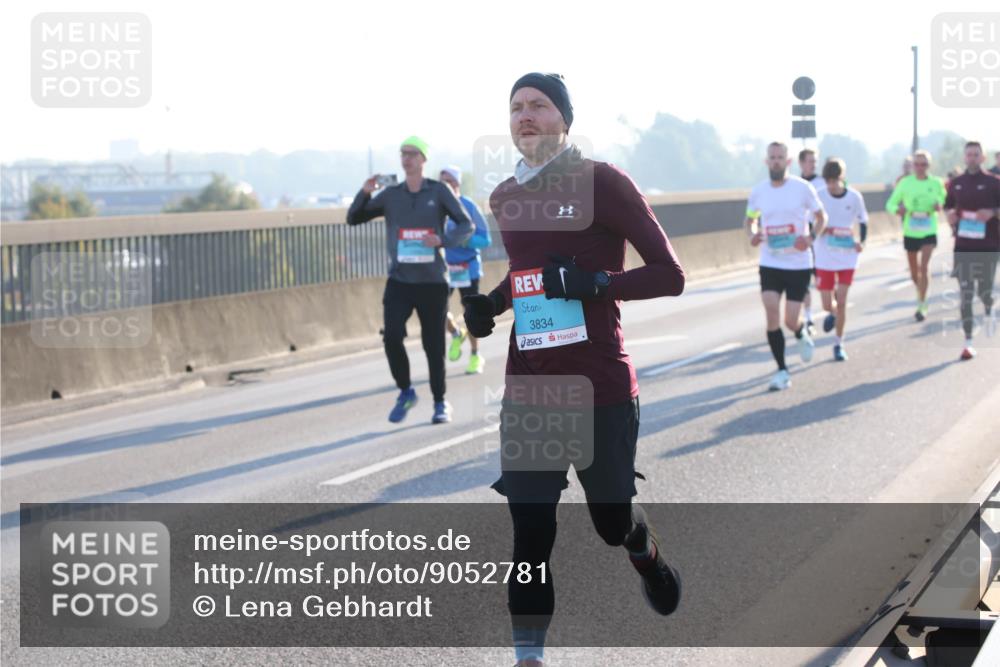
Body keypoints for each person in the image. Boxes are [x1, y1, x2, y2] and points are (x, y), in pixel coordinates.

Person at [462, 72, 685, 667]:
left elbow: (670, 274)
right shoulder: (506, 196)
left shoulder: (603, 183)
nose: (525, 115)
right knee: (531, 536)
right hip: (532, 389)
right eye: (516, 107)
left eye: (539, 105)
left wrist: (595, 283)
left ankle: (644, 551)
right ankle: (529, 658)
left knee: (611, 523)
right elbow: (529, 273)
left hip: (600, 387)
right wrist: (492, 304)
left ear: (565, 120)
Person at [347, 136, 473, 424]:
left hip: (432, 283)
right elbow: (354, 218)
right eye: (403, 153)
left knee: (433, 345)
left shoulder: (439, 191)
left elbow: (467, 225)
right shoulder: (392, 195)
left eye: (413, 154)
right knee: (391, 337)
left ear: (423, 159)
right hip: (400, 282)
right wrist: (365, 193)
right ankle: (405, 392)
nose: (406, 159)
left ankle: (440, 402)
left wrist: (441, 240)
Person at [745, 141, 825, 391]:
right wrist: (753, 235)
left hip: (798, 263)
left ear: (788, 162)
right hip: (770, 261)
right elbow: (750, 221)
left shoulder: (802, 188)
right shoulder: (758, 191)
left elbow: (821, 217)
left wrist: (810, 238)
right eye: (772, 157)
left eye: (780, 157)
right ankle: (782, 370)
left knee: (791, 320)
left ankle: (800, 332)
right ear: (766, 161)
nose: (776, 161)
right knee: (771, 311)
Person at [943, 141, 1000, 360]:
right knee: (965, 294)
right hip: (964, 246)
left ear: (983, 158)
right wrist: (949, 215)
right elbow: (948, 206)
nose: (972, 158)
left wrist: (993, 212)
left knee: (983, 289)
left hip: (989, 246)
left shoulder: (994, 183)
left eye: (976, 154)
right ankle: (968, 342)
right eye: (969, 154)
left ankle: (987, 300)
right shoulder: (956, 183)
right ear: (964, 157)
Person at [438, 165, 492, 374]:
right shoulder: (438, 207)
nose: (446, 186)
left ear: (457, 183)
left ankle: (475, 355)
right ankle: (455, 333)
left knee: (471, 313)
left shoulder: (468, 206)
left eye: (449, 181)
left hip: (468, 267)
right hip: (445, 269)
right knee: (437, 312)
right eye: (442, 182)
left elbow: (485, 239)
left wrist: (463, 240)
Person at [814, 158, 869, 361]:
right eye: (828, 181)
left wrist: (861, 241)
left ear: (842, 178)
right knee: (828, 305)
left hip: (847, 255)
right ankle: (833, 313)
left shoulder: (854, 197)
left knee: (843, 300)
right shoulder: (819, 197)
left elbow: (863, 220)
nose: (832, 185)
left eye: (835, 180)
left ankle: (838, 343)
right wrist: (820, 229)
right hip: (825, 256)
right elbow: (811, 222)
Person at [885, 149, 947, 322]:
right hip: (911, 230)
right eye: (917, 164)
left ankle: (922, 303)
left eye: (924, 164)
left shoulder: (936, 183)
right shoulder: (905, 183)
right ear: (913, 165)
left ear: (929, 165)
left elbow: (943, 199)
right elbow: (890, 204)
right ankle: (921, 293)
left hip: (929, 229)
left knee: (924, 267)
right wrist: (899, 210)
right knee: (914, 273)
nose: (920, 167)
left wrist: (938, 205)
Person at [799, 148, 822, 334]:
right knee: (805, 282)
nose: (813, 164)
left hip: (822, 239)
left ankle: (832, 307)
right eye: (809, 161)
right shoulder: (794, 184)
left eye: (815, 161)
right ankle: (808, 318)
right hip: (804, 240)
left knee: (824, 282)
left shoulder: (823, 182)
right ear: (801, 163)